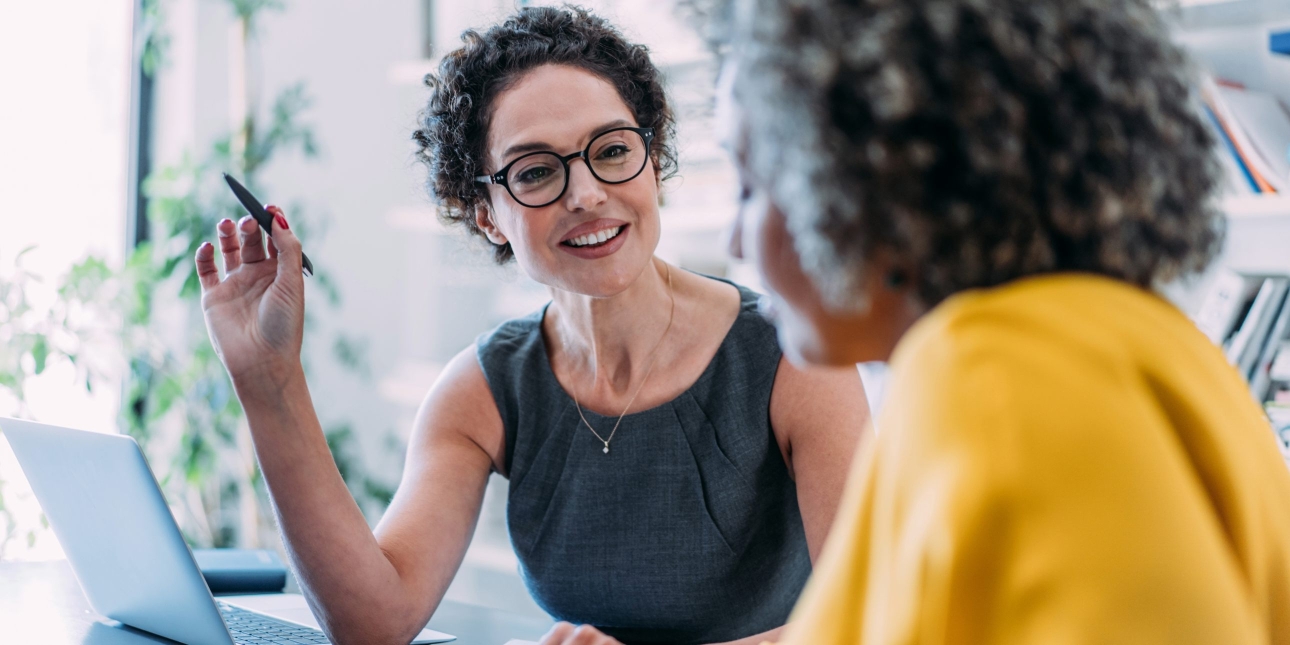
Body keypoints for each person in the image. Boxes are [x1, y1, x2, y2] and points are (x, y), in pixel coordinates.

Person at [193, 6, 869, 645]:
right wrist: (269, 380)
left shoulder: (795, 356)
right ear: (485, 213)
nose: (585, 194)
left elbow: (872, 620)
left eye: (610, 150)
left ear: (652, 159)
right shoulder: (483, 391)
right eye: (537, 171)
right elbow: (373, 621)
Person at [718, 0, 1290, 642]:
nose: (736, 242)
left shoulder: (997, 375)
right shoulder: (1141, 341)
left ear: (874, 176)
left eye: (749, 185)